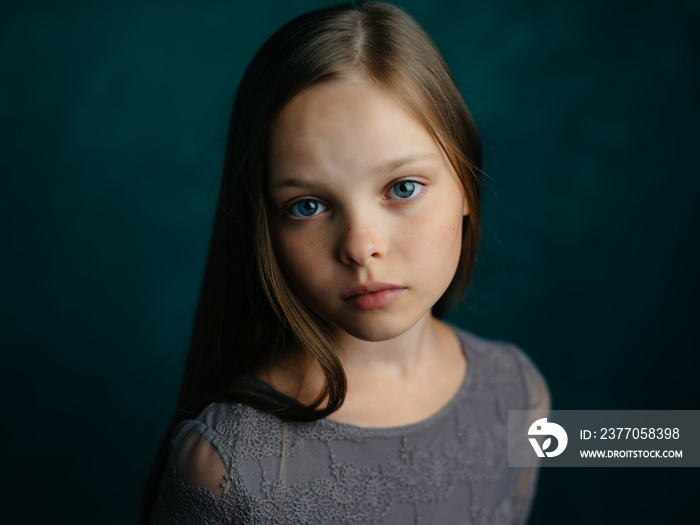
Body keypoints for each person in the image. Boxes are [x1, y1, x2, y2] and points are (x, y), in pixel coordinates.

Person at [142, 2, 549, 523]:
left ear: (467, 186)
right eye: (307, 206)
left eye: (403, 188)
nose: (360, 246)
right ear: (265, 225)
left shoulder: (517, 393)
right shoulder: (225, 466)